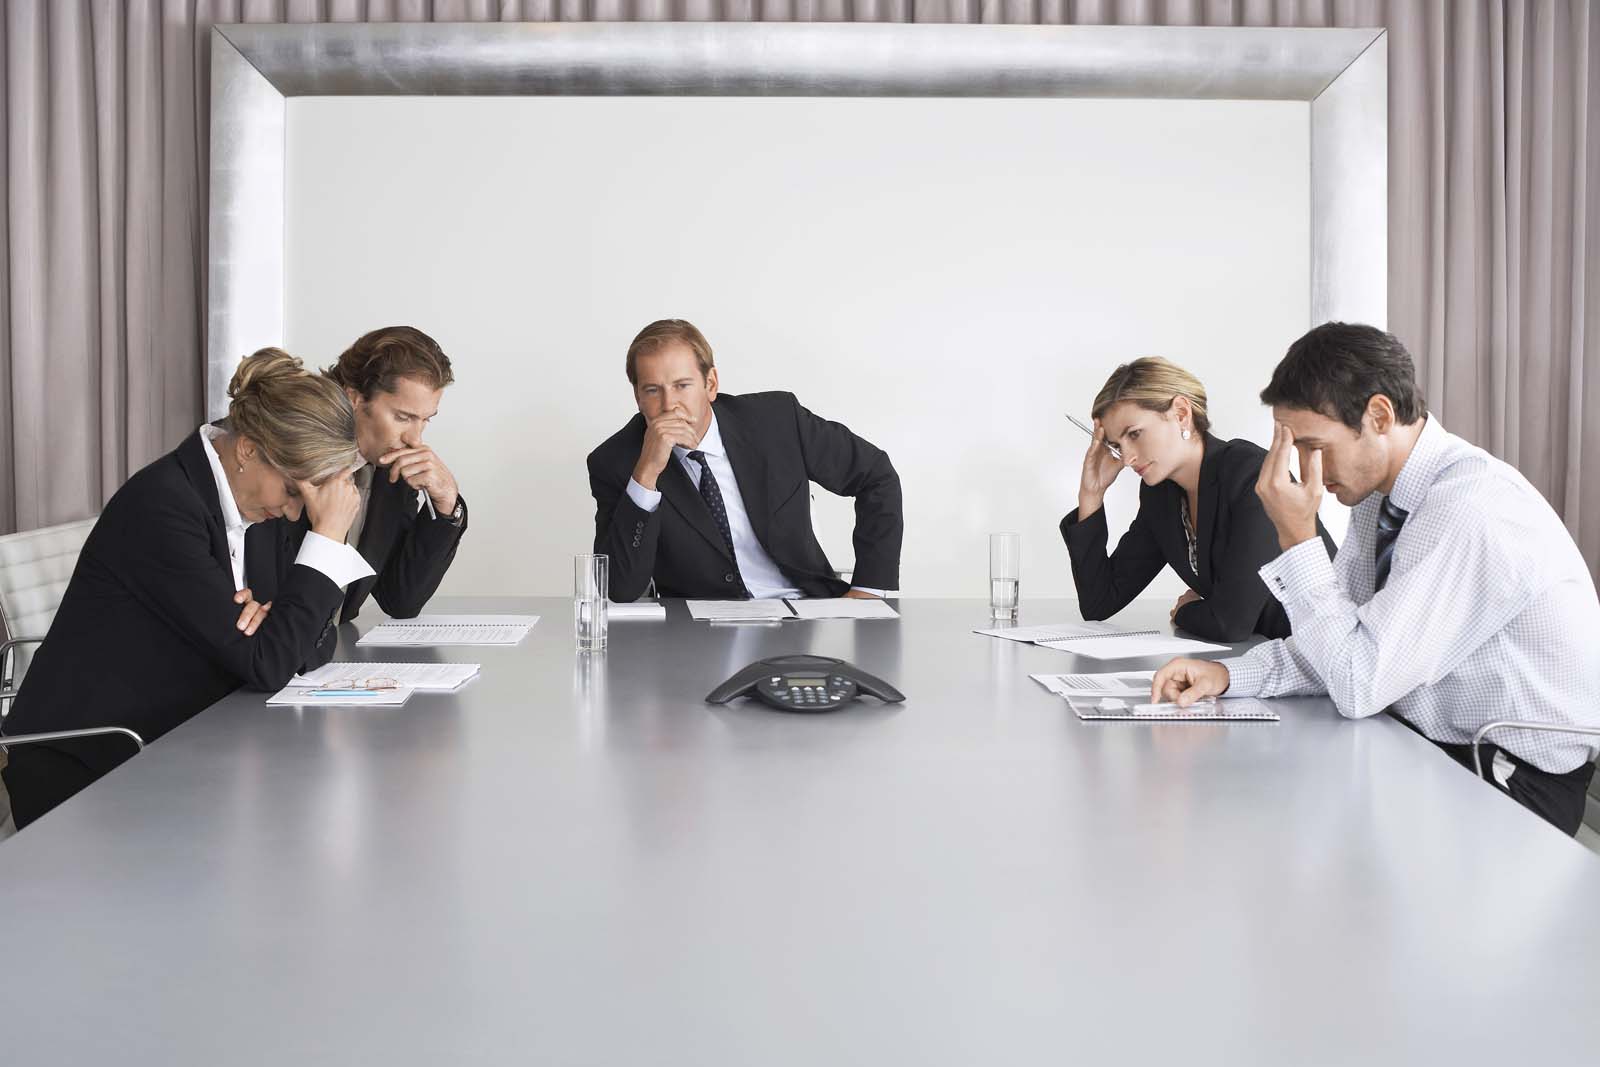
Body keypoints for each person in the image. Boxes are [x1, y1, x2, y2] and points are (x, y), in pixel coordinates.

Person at [1151, 323, 1600, 834]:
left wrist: (1298, 539)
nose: (1304, 468)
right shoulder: (1381, 499)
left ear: (1379, 416)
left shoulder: (1467, 509)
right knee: (1251, 800)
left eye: (1313, 446)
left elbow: (1358, 681)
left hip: (1505, 784)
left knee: (1267, 824)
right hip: (1434, 746)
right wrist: (1232, 676)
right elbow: (1340, 642)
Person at [0, 349, 373, 828]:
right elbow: (271, 661)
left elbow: (300, 645)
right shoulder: (163, 508)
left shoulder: (253, 500)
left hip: (183, 741)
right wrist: (325, 542)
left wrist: (274, 633)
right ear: (249, 449)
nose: (296, 514)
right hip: (92, 769)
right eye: (295, 493)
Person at [587, 319, 903, 603]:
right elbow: (619, 588)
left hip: (804, 612)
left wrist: (869, 589)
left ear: (710, 384)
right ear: (638, 398)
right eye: (653, 390)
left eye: (683, 386)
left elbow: (876, 475)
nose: (670, 405)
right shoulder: (615, 461)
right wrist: (647, 472)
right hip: (695, 634)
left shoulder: (777, 420)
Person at [1062, 357, 1336, 641]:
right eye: (1118, 445)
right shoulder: (1161, 494)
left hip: (1329, 657)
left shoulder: (1250, 476)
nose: (1128, 458)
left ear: (1181, 413)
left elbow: (1229, 624)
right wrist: (1092, 495)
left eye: (1135, 434)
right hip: (1264, 660)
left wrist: (1186, 610)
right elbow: (1099, 601)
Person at [249, 326, 466, 645]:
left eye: (426, 419)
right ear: (354, 398)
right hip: (265, 647)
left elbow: (400, 600)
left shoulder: (390, 463)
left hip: (329, 658)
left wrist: (447, 503)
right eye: (403, 417)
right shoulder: (289, 446)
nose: (415, 439)